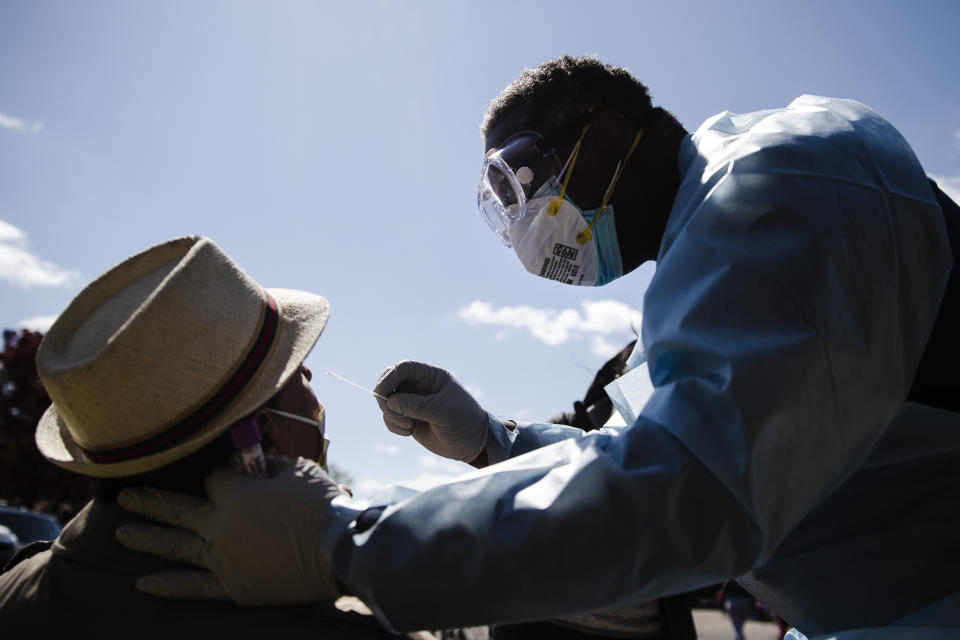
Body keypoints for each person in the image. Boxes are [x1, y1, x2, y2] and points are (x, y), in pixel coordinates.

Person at [116, 57, 960, 639]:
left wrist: (344, 546)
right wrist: (491, 437)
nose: (521, 224)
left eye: (519, 182)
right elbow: (648, 453)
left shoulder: (772, 185)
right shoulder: (713, 249)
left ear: (604, 137)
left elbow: (692, 489)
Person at [0, 236, 400, 639]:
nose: (310, 373)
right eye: (293, 368)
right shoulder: (335, 623)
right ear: (261, 439)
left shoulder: (14, 587)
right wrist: (347, 551)